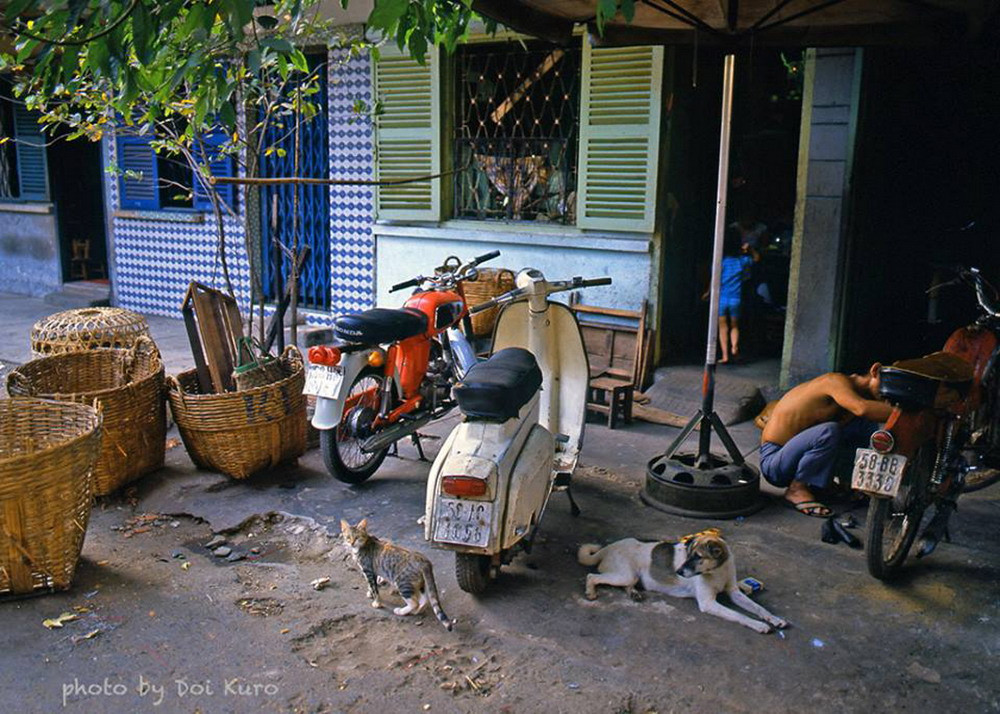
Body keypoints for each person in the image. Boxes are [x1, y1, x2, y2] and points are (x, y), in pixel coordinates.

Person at [759, 364, 893, 517]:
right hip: (775, 462)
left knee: (863, 424)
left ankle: (845, 483)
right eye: (887, 388)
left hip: (796, 457)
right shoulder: (834, 381)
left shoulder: (856, 396)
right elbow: (862, 408)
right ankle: (797, 489)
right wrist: (912, 413)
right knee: (829, 431)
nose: (887, 397)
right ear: (875, 371)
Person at [715, 227, 759, 364]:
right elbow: (757, 258)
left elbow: (714, 279)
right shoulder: (742, 261)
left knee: (723, 327)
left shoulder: (721, 262)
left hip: (722, 298)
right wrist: (749, 249)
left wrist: (708, 292)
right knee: (735, 325)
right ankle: (734, 347)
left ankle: (725, 355)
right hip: (736, 298)